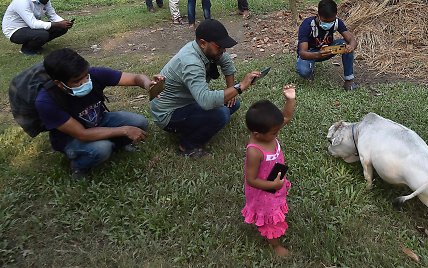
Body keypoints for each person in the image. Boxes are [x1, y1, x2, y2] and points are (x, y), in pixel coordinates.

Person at [35, 48, 164, 180]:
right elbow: (82, 134)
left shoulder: (93, 75)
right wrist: (124, 130)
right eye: (77, 81)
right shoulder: (47, 102)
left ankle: (118, 145)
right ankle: (79, 165)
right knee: (102, 148)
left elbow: (136, 78)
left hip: (99, 120)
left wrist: (148, 84)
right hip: (72, 139)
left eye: (86, 76)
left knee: (139, 122)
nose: (85, 82)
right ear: (59, 83)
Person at [150, 19, 260, 157]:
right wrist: (240, 86)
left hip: (188, 102)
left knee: (233, 103)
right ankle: (187, 145)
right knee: (221, 114)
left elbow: (226, 63)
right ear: (203, 43)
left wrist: (232, 89)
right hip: (168, 114)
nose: (224, 50)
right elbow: (205, 101)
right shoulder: (191, 62)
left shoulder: (205, 50)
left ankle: (195, 124)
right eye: (220, 46)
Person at [241, 84, 296, 258]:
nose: (278, 133)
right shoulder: (255, 150)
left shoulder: (268, 131)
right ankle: (276, 245)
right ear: (257, 134)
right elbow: (251, 179)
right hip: (263, 191)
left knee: (276, 206)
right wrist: (272, 184)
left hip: (275, 182)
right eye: (275, 132)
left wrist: (290, 99)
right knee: (269, 219)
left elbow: (286, 116)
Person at [296, 0, 358, 90]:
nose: (328, 24)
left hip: (327, 50)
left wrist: (351, 47)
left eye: (331, 21)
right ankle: (310, 68)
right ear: (318, 15)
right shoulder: (307, 25)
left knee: (346, 45)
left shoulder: (337, 22)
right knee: (304, 72)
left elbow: (352, 40)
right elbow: (302, 53)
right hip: (310, 54)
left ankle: (349, 81)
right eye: (325, 21)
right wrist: (318, 54)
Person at [2, 0, 74, 55]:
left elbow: (53, 15)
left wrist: (64, 22)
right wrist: (58, 24)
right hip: (15, 30)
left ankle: (35, 45)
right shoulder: (22, 2)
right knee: (42, 34)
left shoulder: (45, 1)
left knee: (61, 28)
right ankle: (27, 49)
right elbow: (33, 24)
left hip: (30, 27)